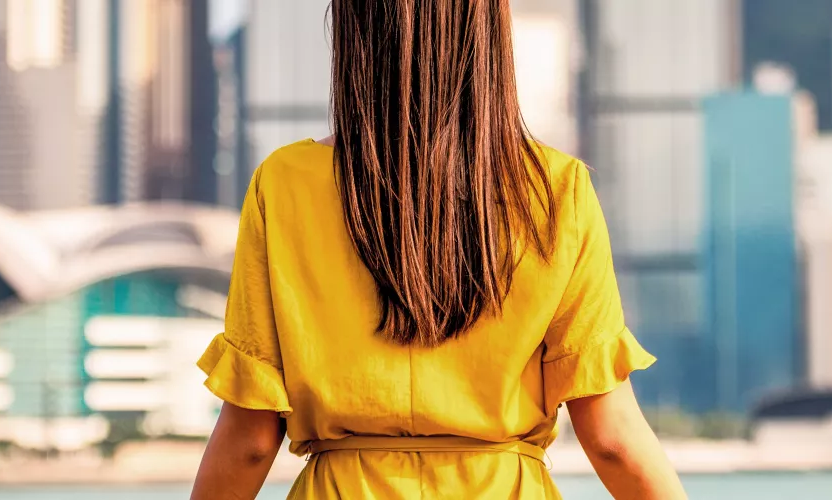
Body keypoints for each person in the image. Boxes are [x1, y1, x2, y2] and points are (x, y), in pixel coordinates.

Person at [190, 0, 687, 498]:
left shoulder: (283, 185)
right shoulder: (555, 191)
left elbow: (250, 441)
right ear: (488, 34)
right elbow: (612, 441)